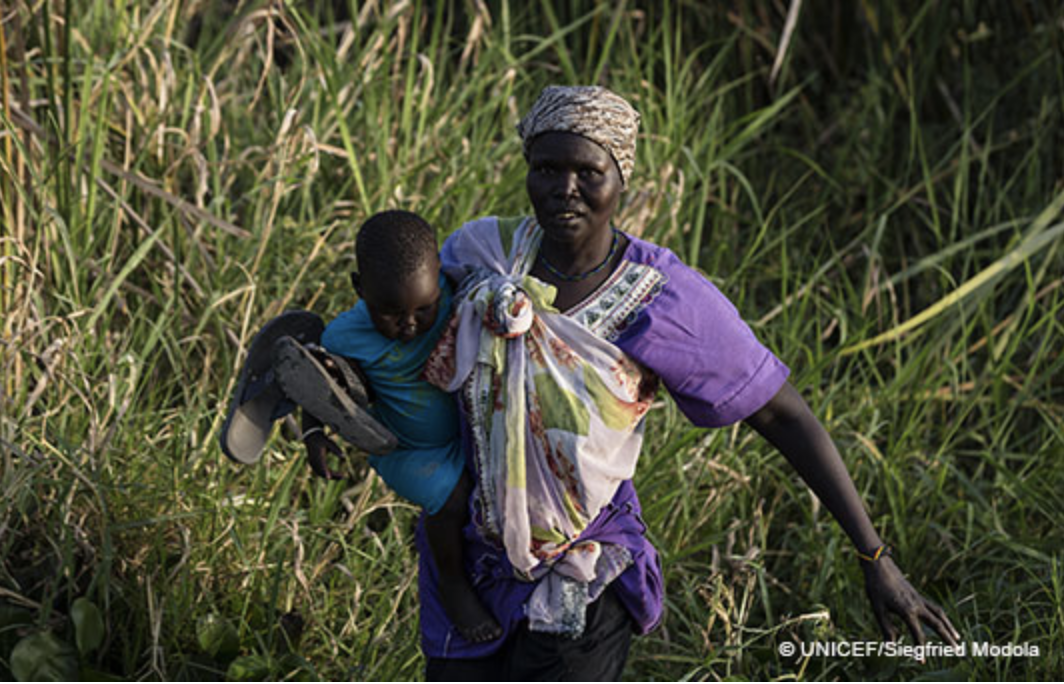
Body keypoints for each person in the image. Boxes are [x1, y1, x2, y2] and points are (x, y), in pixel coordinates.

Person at [413, 85, 961, 681]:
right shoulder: (481, 255)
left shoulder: (662, 297)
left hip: (583, 568)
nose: (564, 188)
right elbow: (396, 335)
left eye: (587, 172)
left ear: (620, 178)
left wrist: (874, 556)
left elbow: (782, 414)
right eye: (546, 168)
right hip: (467, 564)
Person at [271, 210, 504, 644]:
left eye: (423, 308)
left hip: (467, 433)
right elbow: (317, 386)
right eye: (390, 313)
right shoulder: (345, 337)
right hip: (406, 450)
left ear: (439, 274)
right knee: (451, 498)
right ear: (360, 289)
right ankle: (452, 582)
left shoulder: (457, 298)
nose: (410, 324)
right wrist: (313, 434)